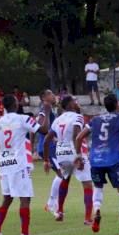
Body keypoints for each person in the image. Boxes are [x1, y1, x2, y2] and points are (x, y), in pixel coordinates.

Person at [75, 94, 119, 235]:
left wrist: (78, 156)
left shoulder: (95, 119)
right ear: (117, 105)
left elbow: (79, 137)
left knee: (98, 187)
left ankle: (97, 210)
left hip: (95, 160)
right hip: (113, 160)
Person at [0, 94, 50, 235]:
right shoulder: (23, 119)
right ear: (16, 105)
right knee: (25, 198)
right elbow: (43, 130)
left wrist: (5, 153)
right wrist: (47, 112)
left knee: (8, 198)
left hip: (4, 164)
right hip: (19, 164)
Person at [43, 95, 93, 224]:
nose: (78, 103)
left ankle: (59, 212)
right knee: (87, 183)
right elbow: (77, 135)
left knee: (65, 179)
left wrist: (46, 160)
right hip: (73, 149)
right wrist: (78, 155)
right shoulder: (78, 117)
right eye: (75, 101)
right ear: (70, 105)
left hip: (61, 152)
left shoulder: (58, 120)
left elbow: (47, 140)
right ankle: (88, 218)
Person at [36, 90, 60, 215]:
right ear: (44, 97)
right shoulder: (46, 107)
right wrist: (49, 134)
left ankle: (53, 204)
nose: (53, 95)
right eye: (51, 94)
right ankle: (52, 205)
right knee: (63, 174)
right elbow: (41, 127)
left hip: (49, 146)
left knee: (63, 174)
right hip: (47, 147)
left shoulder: (48, 107)